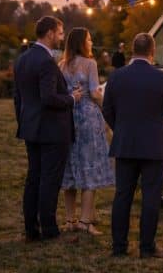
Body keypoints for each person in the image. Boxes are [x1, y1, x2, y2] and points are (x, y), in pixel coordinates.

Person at [103, 33, 163, 258]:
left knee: (122, 196)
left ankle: (119, 247)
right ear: (152, 51)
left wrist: (120, 129)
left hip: (125, 144)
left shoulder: (116, 77)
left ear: (132, 50)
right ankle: (147, 247)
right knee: (151, 198)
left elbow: (106, 109)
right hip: (154, 146)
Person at [13, 16, 82, 242]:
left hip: (31, 128)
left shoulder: (22, 59)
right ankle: (49, 229)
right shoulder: (46, 62)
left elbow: (18, 97)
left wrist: (24, 122)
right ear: (50, 33)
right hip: (52, 130)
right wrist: (72, 98)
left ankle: (31, 229)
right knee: (49, 180)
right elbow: (48, 97)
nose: (62, 38)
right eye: (60, 33)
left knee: (33, 178)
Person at [59, 28, 114, 236]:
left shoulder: (61, 65)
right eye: (89, 40)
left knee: (71, 169)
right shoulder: (90, 64)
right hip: (88, 120)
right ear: (82, 43)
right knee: (89, 168)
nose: (91, 43)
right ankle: (85, 221)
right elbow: (94, 92)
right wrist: (108, 106)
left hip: (68, 119)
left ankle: (70, 219)